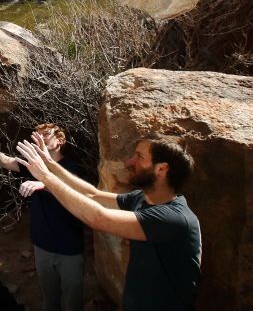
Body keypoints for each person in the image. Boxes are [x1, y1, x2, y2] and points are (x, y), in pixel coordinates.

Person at [15, 133, 201, 311]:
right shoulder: (141, 199)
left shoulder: (173, 219)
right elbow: (92, 195)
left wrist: (46, 178)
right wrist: (49, 164)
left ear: (161, 169)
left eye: (139, 156)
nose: (130, 162)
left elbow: (98, 217)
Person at [0, 124, 84, 311]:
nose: (41, 138)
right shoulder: (34, 167)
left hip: (69, 248)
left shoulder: (72, 167)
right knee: (50, 299)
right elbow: (5, 161)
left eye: (46, 135)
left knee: (72, 302)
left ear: (61, 141)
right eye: (37, 136)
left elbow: (72, 190)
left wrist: (43, 184)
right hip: (42, 246)